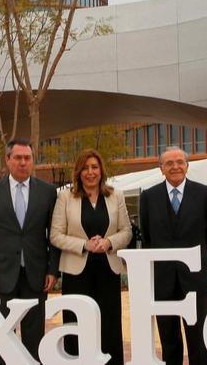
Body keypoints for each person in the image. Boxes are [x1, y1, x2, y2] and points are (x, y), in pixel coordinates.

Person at [0, 138, 60, 363]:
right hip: (1, 277)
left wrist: (53, 270)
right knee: (3, 337)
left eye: (27, 158)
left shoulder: (48, 192)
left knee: (34, 337)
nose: (23, 162)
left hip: (37, 275)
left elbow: (54, 234)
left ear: (33, 161)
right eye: (18, 158)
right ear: (7, 160)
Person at [139, 146, 207, 365]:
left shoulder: (205, 193)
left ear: (187, 166)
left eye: (179, 162)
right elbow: (147, 237)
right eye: (169, 163)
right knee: (169, 340)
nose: (175, 167)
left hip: (196, 278)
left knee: (199, 339)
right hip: (163, 279)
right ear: (161, 169)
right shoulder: (148, 196)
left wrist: (202, 260)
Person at [50, 149, 132, 364]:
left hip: (108, 271)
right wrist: (84, 245)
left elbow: (127, 231)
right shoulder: (65, 197)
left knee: (109, 325)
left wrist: (109, 242)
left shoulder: (116, 196)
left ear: (101, 170)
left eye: (94, 167)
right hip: (77, 274)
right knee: (76, 325)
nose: (90, 172)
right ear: (78, 172)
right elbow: (55, 235)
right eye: (85, 168)